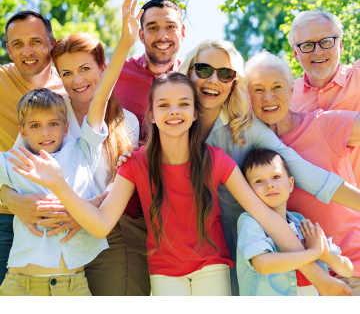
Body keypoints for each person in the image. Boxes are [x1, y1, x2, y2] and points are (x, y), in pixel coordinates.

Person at [9, 72, 349, 296]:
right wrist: (58, 184)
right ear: (152, 115)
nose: (175, 112)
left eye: (184, 104)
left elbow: (267, 217)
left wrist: (321, 278)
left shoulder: (216, 159)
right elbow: (99, 225)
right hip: (164, 271)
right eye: (164, 105)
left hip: (212, 266)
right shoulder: (138, 163)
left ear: (194, 113)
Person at [120, 39, 357, 296]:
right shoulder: (169, 130)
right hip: (176, 263)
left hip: (247, 250)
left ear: (234, 83)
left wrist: (319, 277)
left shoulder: (246, 128)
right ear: (188, 72)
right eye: (203, 70)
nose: (213, 79)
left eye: (225, 74)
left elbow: (305, 174)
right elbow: (135, 175)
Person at [0, 0, 140, 296]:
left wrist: (125, 44)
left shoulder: (115, 124)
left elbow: (120, 184)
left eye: (85, 69)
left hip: (97, 230)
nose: (76, 80)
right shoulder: (48, 113)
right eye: (66, 73)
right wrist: (11, 198)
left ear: (102, 68)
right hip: (45, 246)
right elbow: (12, 166)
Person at [244, 49, 360, 294]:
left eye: (277, 87)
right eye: (258, 89)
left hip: (351, 266)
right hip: (298, 282)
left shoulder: (323, 124)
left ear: (291, 90)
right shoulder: (249, 147)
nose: (268, 97)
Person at [112, 0, 186, 294]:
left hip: (181, 216)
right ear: (140, 34)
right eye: (152, 27)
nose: (162, 35)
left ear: (182, 33)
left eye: (170, 26)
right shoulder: (117, 74)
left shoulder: (193, 79)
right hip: (128, 213)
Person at [0, 11, 67, 284]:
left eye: (36, 41)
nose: (27, 51)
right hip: (5, 220)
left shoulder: (73, 85)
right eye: (17, 44)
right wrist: (9, 198)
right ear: (8, 49)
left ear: (52, 43)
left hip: (62, 219)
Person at [237, 149, 353, 296]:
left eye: (276, 176)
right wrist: (313, 252)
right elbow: (263, 264)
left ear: (291, 184)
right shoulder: (250, 222)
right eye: (259, 181)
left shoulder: (301, 222)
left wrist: (325, 255)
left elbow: (347, 269)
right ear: (247, 191)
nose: (269, 185)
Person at [289, 11, 360, 193]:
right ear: (295, 53)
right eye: (307, 45)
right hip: (308, 219)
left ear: (340, 44)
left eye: (326, 41)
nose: (318, 51)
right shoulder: (286, 96)